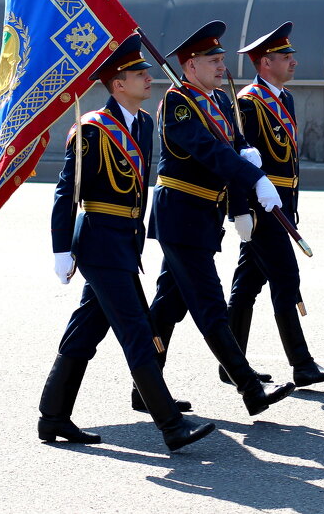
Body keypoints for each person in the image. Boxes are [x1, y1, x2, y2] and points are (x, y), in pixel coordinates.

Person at [41, 35, 215, 451]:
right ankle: (171, 426)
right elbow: (67, 192)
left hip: (124, 243)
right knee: (138, 331)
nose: (148, 78)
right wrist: (61, 248)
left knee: (85, 331)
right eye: (139, 74)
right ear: (117, 84)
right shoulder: (93, 129)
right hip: (100, 243)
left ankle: (52, 418)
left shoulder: (142, 123)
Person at [141, 21, 297, 417]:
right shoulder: (178, 104)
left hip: (202, 217)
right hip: (181, 215)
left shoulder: (218, 101)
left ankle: (145, 389)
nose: (221, 65)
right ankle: (249, 388)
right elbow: (209, 151)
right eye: (212, 59)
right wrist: (255, 177)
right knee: (209, 304)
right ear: (190, 66)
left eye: (222, 58)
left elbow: (235, 142)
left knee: (168, 306)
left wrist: (247, 164)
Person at [219, 23, 324, 389]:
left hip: (281, 203)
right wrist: (241, 208)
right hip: (262, 207)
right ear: (265, 63)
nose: (293, 63)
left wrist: (291, 203)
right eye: (285, 57)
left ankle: (230, 362)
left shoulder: (283, 98)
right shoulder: (248, 104)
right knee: (285, 276)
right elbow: (239, 160)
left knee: (247, 283)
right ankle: (301, 364)